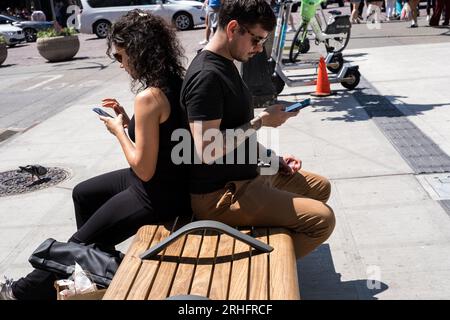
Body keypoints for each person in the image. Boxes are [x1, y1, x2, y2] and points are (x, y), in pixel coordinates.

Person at [0, 9, 191, 300]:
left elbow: (144, 169)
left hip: (155, 195)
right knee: (83, 193)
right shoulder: (175, 82)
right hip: (167, 183)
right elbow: (161, 141)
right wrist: (128, 121)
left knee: (76, 243)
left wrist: (117, 131)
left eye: (120, 56)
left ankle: (19, 292)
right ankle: (94, 268)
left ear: (139, 52)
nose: (120, 64)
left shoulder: (149, 97)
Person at [180, 0, 335, 260]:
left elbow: (236, 131)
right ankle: (263, 271)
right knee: (322, 220)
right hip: (223, 195)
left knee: (320, 187)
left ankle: (271, 251)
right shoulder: (207, 77)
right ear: (233, 28)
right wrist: (261, 121)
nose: (259, 48)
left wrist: (272, 159)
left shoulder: (227, 61)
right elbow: (207, 149)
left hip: (250, 173)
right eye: (256, 40)